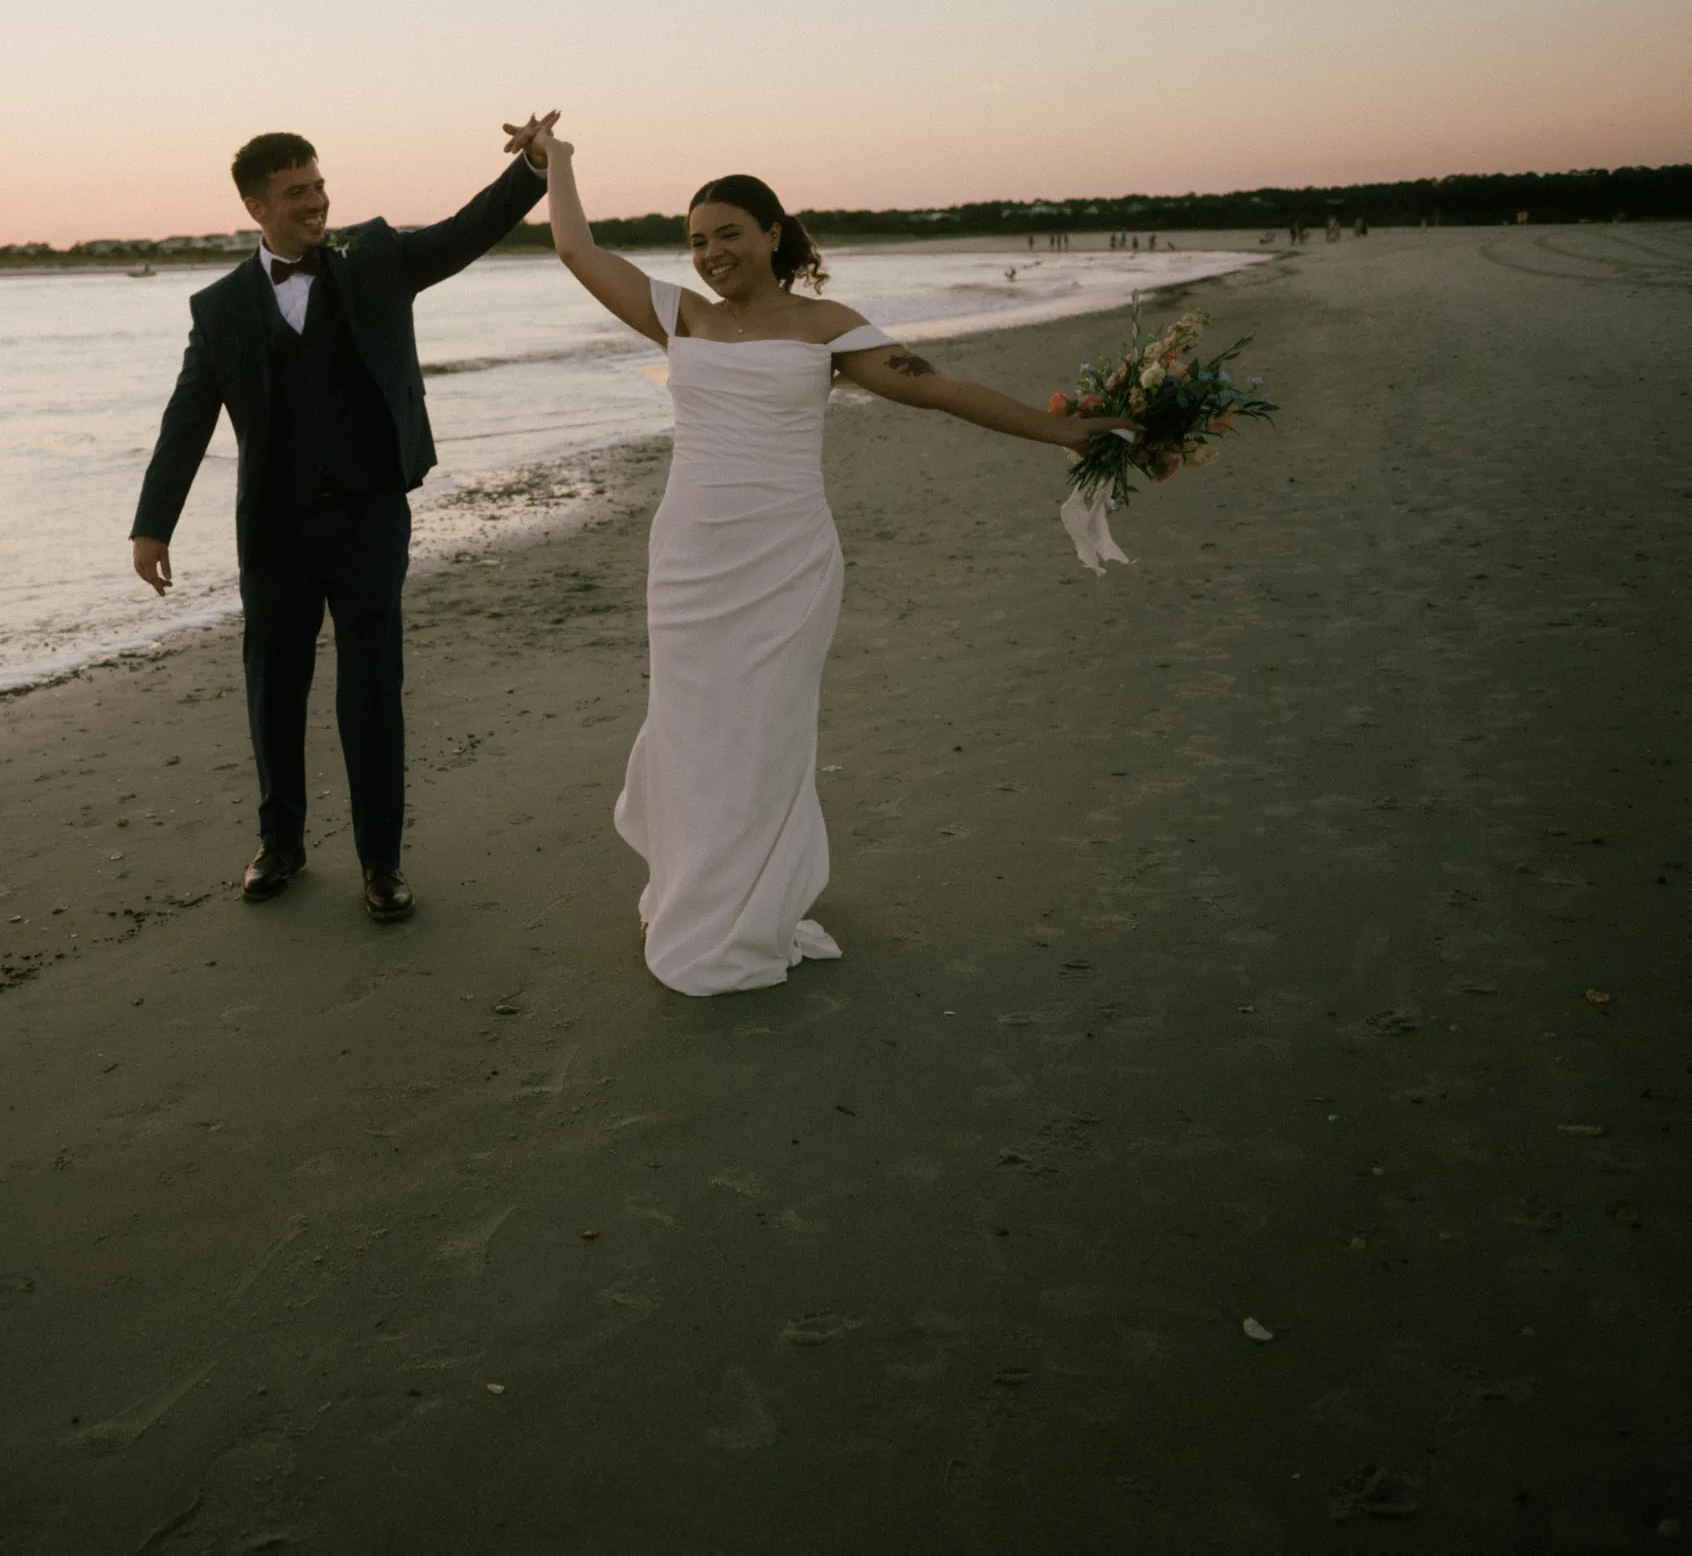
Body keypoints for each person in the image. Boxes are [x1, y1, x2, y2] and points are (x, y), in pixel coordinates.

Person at [539, 131, 1121, 995]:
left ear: (774, 233)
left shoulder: (828, 328)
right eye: (697, 240)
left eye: (729, 233)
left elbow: (942, 389)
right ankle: (691, 891)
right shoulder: (680, 315)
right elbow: (577, 248)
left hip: (785, 560)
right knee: (693, 733)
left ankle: (750, 907)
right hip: (690, 563)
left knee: (766, 736)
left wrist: (1068, 430)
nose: (711, 254)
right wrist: (557, 160)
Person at [129, 116, 557, 922]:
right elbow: (187, 419)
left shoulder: (376, 258)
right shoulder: (219, 308)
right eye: (296, 193)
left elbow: (467, 233)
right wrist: (153, 525)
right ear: (257, 207)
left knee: (370, 691)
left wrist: (530, 168)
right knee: (274, 689)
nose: (316, 202)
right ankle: (281, 843)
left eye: (319, 185)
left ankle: (381, 864)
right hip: (276, 531)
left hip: (368, 518)